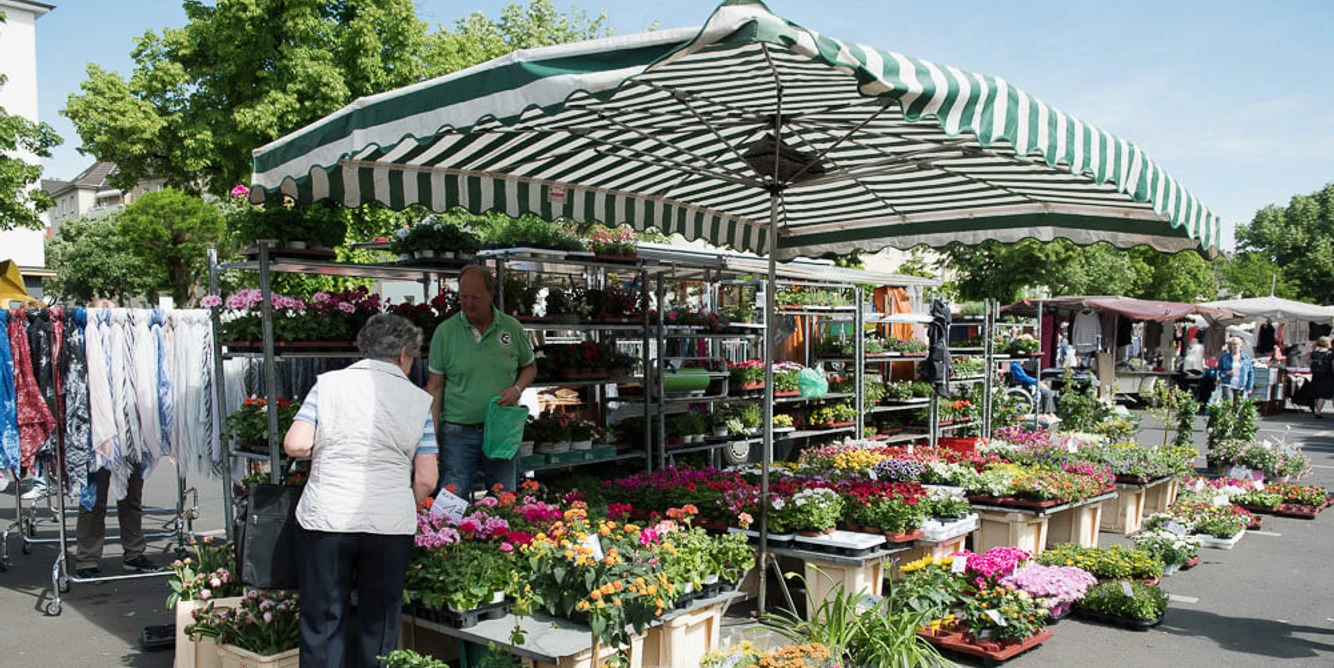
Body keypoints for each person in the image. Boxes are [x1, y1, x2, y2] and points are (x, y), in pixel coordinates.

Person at [284, 314, 439, 667]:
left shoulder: (328, 385)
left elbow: (295, 444)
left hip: (326, 519)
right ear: (403, 354)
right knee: (379, 625)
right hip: (390, 525)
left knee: (322, 622)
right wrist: (402, 500)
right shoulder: (418, 403)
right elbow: (427, 480)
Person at [425, 265, 536, 493]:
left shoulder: (511, 328)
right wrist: (430, 439)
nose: (468, 303)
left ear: (491, 295)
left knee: (504, 496)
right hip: (457, 431)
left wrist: (517, 389)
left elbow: (530, 367)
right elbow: (434, 388)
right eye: (463, 296)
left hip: (501, 429)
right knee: (452, 500)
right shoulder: (445, 332)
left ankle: (501, 529)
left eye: (475, 297)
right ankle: (450, 530)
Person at [74, 298, 159, 578]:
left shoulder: (133, 339)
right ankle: (87, 559)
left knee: (132, 496)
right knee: (94, 500)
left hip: (130, 429)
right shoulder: (86, 339)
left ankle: (134, 552)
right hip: (98, 432)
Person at [1216, 336, 1254, 402]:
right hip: (1227, 385)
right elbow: (1218, 372)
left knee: (1237, 407)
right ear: (1230, 346)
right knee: (1228, 405)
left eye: (1237, 344)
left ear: (1241, 346)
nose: (1235, 346)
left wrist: (1249, 387)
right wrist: (1226, 373)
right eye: (1233, 344)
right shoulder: (1224, 357)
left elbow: (1250, 373)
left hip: (1241, 386)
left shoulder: (1246, 358)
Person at [1309, 337, 1334, 418]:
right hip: (1327, 375)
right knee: (1322, 394)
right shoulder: (1330, 354)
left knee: (1316, 393)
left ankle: (1317, 409)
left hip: (1316, 374)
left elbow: (1308, 362)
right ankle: (1318, 411)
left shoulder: (1314, 353)